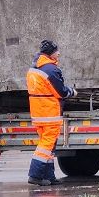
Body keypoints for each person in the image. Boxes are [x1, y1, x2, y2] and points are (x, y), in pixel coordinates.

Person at [26, 39, 74, 186]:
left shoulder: (35, 68)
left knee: (48, 147)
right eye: (56, 51)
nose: (58, 53)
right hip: (49, 113)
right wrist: (71, 92)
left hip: (39, 113)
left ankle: (49, 176)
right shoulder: (51, 70)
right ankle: (35, 175)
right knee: (46, 146)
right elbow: (61, 92)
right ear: (50, 53)